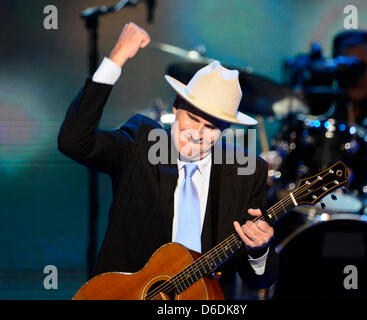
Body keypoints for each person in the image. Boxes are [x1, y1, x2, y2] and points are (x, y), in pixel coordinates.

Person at [58, 22, 278, 299]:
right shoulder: (141, 142)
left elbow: (259, 280)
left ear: (224, 131)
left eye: (210, 128)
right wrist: (116, 60)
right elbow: (73, 141)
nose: (196, 134)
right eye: (192, 119)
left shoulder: (246, 172)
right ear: (176, 109)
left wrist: (259, 250)